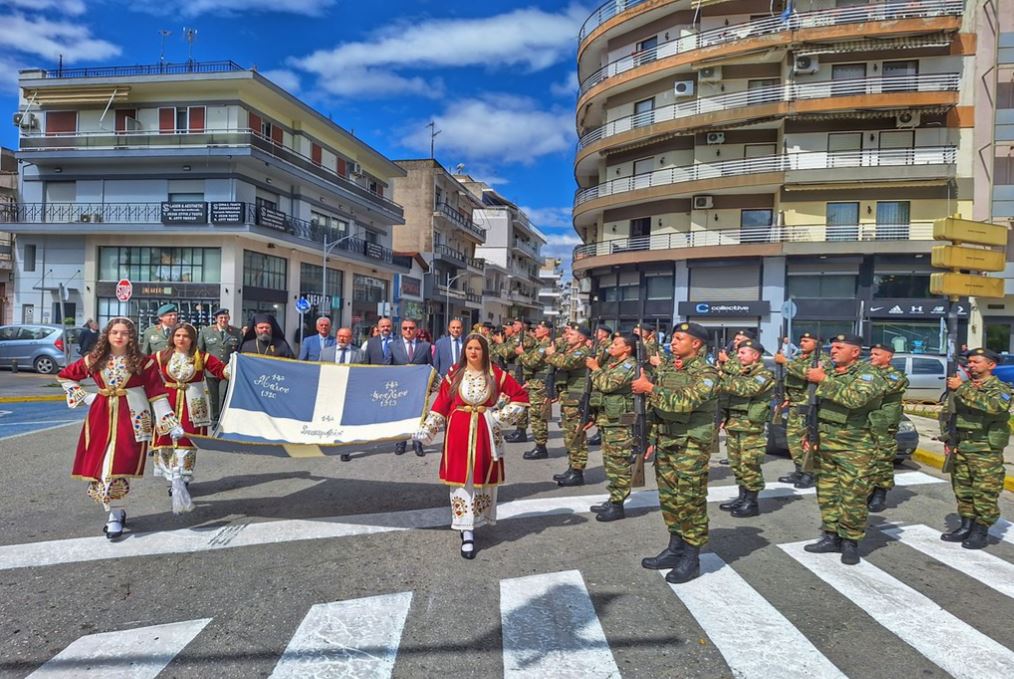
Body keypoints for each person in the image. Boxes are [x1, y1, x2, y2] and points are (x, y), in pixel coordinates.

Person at [57, 318, 183, 540]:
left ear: (131, 337)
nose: (119, 336)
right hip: (100, 418)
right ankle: (115, 512)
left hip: (132, 419)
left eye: (124, 333)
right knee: (101, 468)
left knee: (116, 467)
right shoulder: (95, 359)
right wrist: (85, 397)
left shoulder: (144, 363)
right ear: (107, 334)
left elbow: (157, 394)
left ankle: (114, 516)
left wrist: (170, 422)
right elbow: (65, 376)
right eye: (115, 332)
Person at [413, 333, 529, 559]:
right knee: (461, 480)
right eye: (469, 348)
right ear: (464, 350)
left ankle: (477, 521)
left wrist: (498, 417)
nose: (473, 352)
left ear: (485, 351)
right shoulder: (455, 374)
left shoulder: (496, 374)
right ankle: (466, 530)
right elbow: (441, 404)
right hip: (458, 432)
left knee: (480, 480)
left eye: (478, 348)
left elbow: (520, 396)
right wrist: (428, 428)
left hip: (485, 433)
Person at [631, 321, 720, 583]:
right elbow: (655, 406)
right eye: (673, 338)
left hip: (691, 443)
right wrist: (647, 437)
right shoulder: (669, 367)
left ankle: (692, 557)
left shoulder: (707, 373)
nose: (673, 342)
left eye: (680, 338)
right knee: (669, 498)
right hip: (667, 440)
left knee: (689, 499)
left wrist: (649, 388)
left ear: (696, 344)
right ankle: (675, 547)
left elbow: (683, 401)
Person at [802, 333, 886, 565]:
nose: (833, 350)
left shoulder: (869, 374)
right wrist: (808, 434)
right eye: (832, 347)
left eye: (839, 347)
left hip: (854, 446)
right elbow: (811, 405)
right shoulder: (826, 370)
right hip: (825, 442)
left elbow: (856, 399)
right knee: (827, 492)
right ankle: (831, 535)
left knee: (853, 496)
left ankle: (850, 541)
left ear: (856, 352)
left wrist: (823, 380)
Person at [150, 323, 229, 511]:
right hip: (167, 404)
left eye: (185, 336)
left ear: (192, 338)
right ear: (173, 337)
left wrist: (238, 367)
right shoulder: (162, 356)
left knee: (186, 442)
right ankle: (172, 477)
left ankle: (183, 478)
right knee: (165, 442)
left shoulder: (201, 357)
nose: (181, 339)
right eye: (178, 335)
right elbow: (143, 368)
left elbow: (221, 370)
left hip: (193, 405)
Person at [939, 347, 1012, 549]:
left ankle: (981, 530)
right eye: (969, 362)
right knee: (963, 489)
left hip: (984, 449)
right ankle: (966, 525)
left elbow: (995, 406)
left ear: (991, 365)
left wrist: (961, 389)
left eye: (976, 361)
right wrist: (948, 440)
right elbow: (948, 414)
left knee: (984, 491)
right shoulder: (963, 386)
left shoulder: (1000, 388)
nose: (971, 365)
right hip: (961, 445)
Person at [717, 339, 775, 518]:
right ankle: (742, 497)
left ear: (755, 355)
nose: (738, 356)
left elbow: (746, 389)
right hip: (735, 424)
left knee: (749, 464)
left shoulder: (763, 374)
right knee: (737, 463)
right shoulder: (741, 372)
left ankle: (751, 502)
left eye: (743, 353)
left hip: (751, 427)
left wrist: (721, 377)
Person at [586, 333, 638, 521]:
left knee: (619, 463)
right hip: (609, 420)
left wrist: (595, 368)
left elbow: (607, 385)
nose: (611, 347)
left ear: (627, 349)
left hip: (620, 423)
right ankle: (613, 498)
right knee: (611, 463)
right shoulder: (614, 365)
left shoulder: (629, 366)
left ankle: (618, 505)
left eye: (616, 344)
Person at [774, 331, 825, 488]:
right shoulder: (799, 359)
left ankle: (810, 473)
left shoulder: (822, 360)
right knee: (793, 441)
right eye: (802, 340)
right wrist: (786, 397)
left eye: (806, 340)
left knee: (806, 441)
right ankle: (799, 471)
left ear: (817, 343)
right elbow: (791, 380)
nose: (802, 343)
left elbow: (809, 374)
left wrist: (786, 362)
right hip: (795, 406)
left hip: (808, 406)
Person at [546, 325, 594, 486]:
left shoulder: (583, 353)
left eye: (572, 334)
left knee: (576, 437)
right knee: (569, 437)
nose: (567, 336)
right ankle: (572, 468)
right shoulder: (571, 349)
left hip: (576, 401)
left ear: (581, 338)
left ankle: (577, 472)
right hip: (568, 400)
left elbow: (566, 363)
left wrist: (552, 355)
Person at [866, 343, 909, 512]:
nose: (872, 357)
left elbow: (878, 389)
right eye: (872, 354)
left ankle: (880, 492)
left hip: (884, 425)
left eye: (877, 354)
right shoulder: (867, 373)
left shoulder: (896, 377)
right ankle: (867, 490)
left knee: (882, 458)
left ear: (888, 357)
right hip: (866, 422)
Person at [391, 318, 433, 457]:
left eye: (411, 328)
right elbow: (388, 368)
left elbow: (430, 368)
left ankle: (417, 443)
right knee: (401, 416)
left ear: (416, 329)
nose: (408, 330)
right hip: (400, 389)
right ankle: (400, 443)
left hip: (418, 390)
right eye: (405, 328)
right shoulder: (393, 346)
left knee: (418, 417)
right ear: (401, 330)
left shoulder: (425, 346)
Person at [197, 308, 243, 423]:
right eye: (221, 318)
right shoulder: (206, 331)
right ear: (216, 319)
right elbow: (200, 351)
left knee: (224, 395)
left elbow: (240, 350)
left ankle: (222, 419)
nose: (224, 320)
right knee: (213, 397)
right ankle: (214, 418)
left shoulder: (236, 332)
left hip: (227, 371)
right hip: (211, 371)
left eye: (226, 318)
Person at [518, 321, 555, 460]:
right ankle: (539, 445)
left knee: (538, 416)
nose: (535, 330)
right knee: (535, 416)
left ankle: (541, 447)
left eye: (539, 328)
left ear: (546, 331)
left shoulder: (544, 346)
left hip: (541, 385)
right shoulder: (540, 344)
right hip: (536, 383)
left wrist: (521, 354)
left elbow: (532, 362)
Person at [504, 319, 536, 443]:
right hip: (516, 371)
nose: (512, 326)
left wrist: (501, 343)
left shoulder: (524, 338)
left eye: (515, 324)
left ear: (523, 326)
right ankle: (519, 429)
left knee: (521, 401)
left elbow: (506, 352)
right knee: (516, 401)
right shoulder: (516, 338)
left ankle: (521, 431)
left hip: (521, 373)